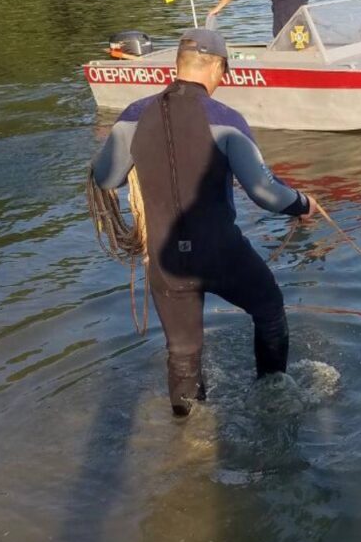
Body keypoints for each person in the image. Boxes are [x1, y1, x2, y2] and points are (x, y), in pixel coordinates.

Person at [92, 28, 318, 416]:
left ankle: (188, 438)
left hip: (165, 259)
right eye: (223, 71)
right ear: (215, 66)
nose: (223, 80)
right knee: (268, 309)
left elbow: (106, 178)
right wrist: (302, 204)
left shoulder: (132, 117)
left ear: (178, 65)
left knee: (182, 352)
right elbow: (264, 192)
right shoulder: (226, 120)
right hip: (220, 252)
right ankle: (272, 397)